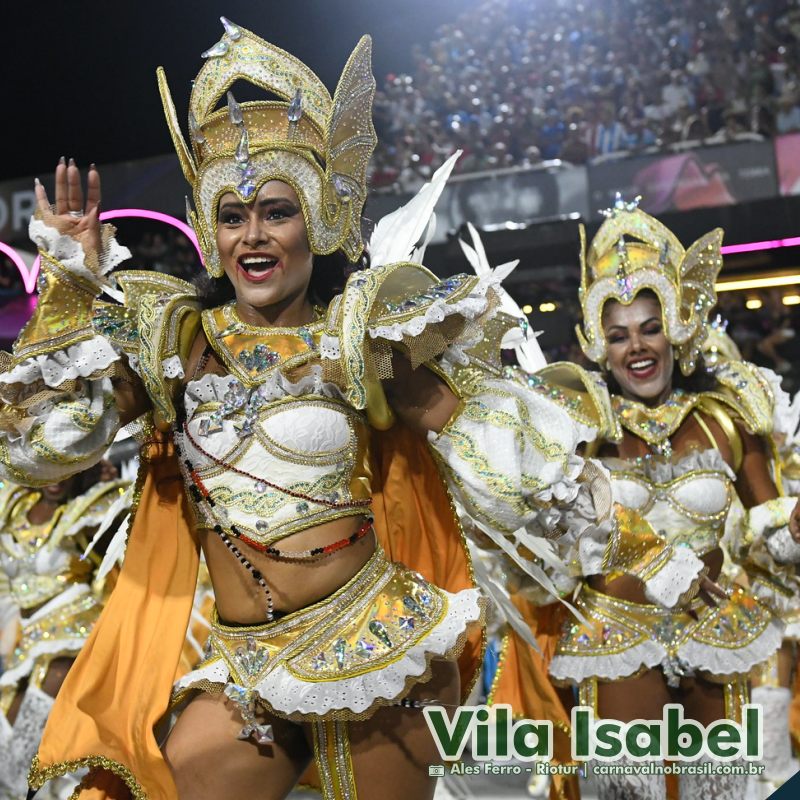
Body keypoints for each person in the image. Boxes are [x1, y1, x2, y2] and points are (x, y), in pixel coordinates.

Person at [0, 20, 618, 800]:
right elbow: (44, 447)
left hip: (375, 651)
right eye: (232, 216)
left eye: (276, 212)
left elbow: (480, 433)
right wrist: (74, 283)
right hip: (246, 668)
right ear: (208, 231)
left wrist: (585, 499)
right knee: (180, 769)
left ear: (318, 219)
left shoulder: (359, 335)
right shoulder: (175, 345)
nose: (253, 237)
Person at [502, 199, 800, 800]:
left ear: (677, 327)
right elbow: (553, 535)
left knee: (718, 791)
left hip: (713, 629)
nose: (636, 346)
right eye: (618, 335)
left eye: (649, 326)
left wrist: (793, 527)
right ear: (598, 346)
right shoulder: (578, 424)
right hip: (618, 635)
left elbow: (763, 525)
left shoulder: (726, 415)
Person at [0, 463, 130, 800]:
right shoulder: (14, 506)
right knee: (9, 713)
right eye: (50, 470)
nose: (57, 480)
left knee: (55, 675)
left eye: (67, 471)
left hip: (76, 626)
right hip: (29, 636)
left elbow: (129, 516)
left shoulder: (86, 509)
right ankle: (21, 782)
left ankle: (16, 782)